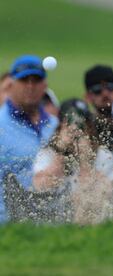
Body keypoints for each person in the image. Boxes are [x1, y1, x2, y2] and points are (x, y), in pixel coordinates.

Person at [33, 99, 113, 224]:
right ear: (60, 127)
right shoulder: (47, 154)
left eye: (83, 125)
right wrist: (60, 152)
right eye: (69, 126)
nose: (76, 132)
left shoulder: (104, 156)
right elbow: (41, 187)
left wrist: (85, 160)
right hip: (54, 221)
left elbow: (104, 196)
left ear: (89, 127)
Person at [0, 55, 58, 222]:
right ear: (11, 85)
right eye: (24, 80)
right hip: (8, 226)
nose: (30, 86)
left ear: (44, 85)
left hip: (52, 225)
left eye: (36, 80)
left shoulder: (55, 125)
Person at [84, 65, 113, 153]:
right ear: (87, 97)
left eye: (110, 87)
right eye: (97, 90)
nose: (105, 93)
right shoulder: (85, 126)